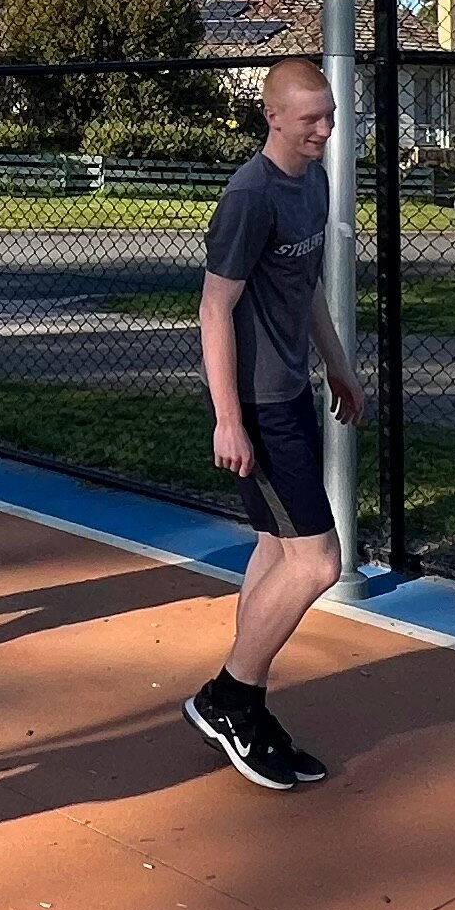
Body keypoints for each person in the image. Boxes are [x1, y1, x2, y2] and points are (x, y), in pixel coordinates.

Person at [182, 57, 364, 791]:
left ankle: (242, 698)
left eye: (330, 115)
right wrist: (228, 420)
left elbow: (304, 285)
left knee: (274, 545)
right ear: (274, 117)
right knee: (318, 562)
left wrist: (338, 365)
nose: (324, 129)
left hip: (291, 391)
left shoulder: (312, 182)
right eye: (311, 117)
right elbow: (214, 308)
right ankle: (230, 697)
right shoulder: (249, 197)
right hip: (255, 403)